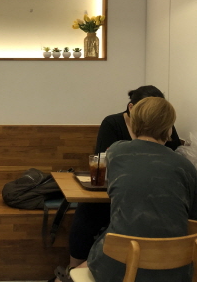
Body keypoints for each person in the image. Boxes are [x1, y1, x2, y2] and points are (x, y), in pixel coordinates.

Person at [85, 97, 197, 282]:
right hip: (174, 273)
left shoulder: (116, 152)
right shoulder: (184, 166)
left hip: (117, 269)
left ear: (133, 122)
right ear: (169, 129)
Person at [65, 86, 182, 271]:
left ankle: (79, 270)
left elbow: (173, 155)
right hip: (176, 263)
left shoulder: (119, 150)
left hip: (145, 196)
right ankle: (75, 266)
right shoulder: (114, 129)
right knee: (90, 208)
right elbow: (102, 159)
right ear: (131, 108)